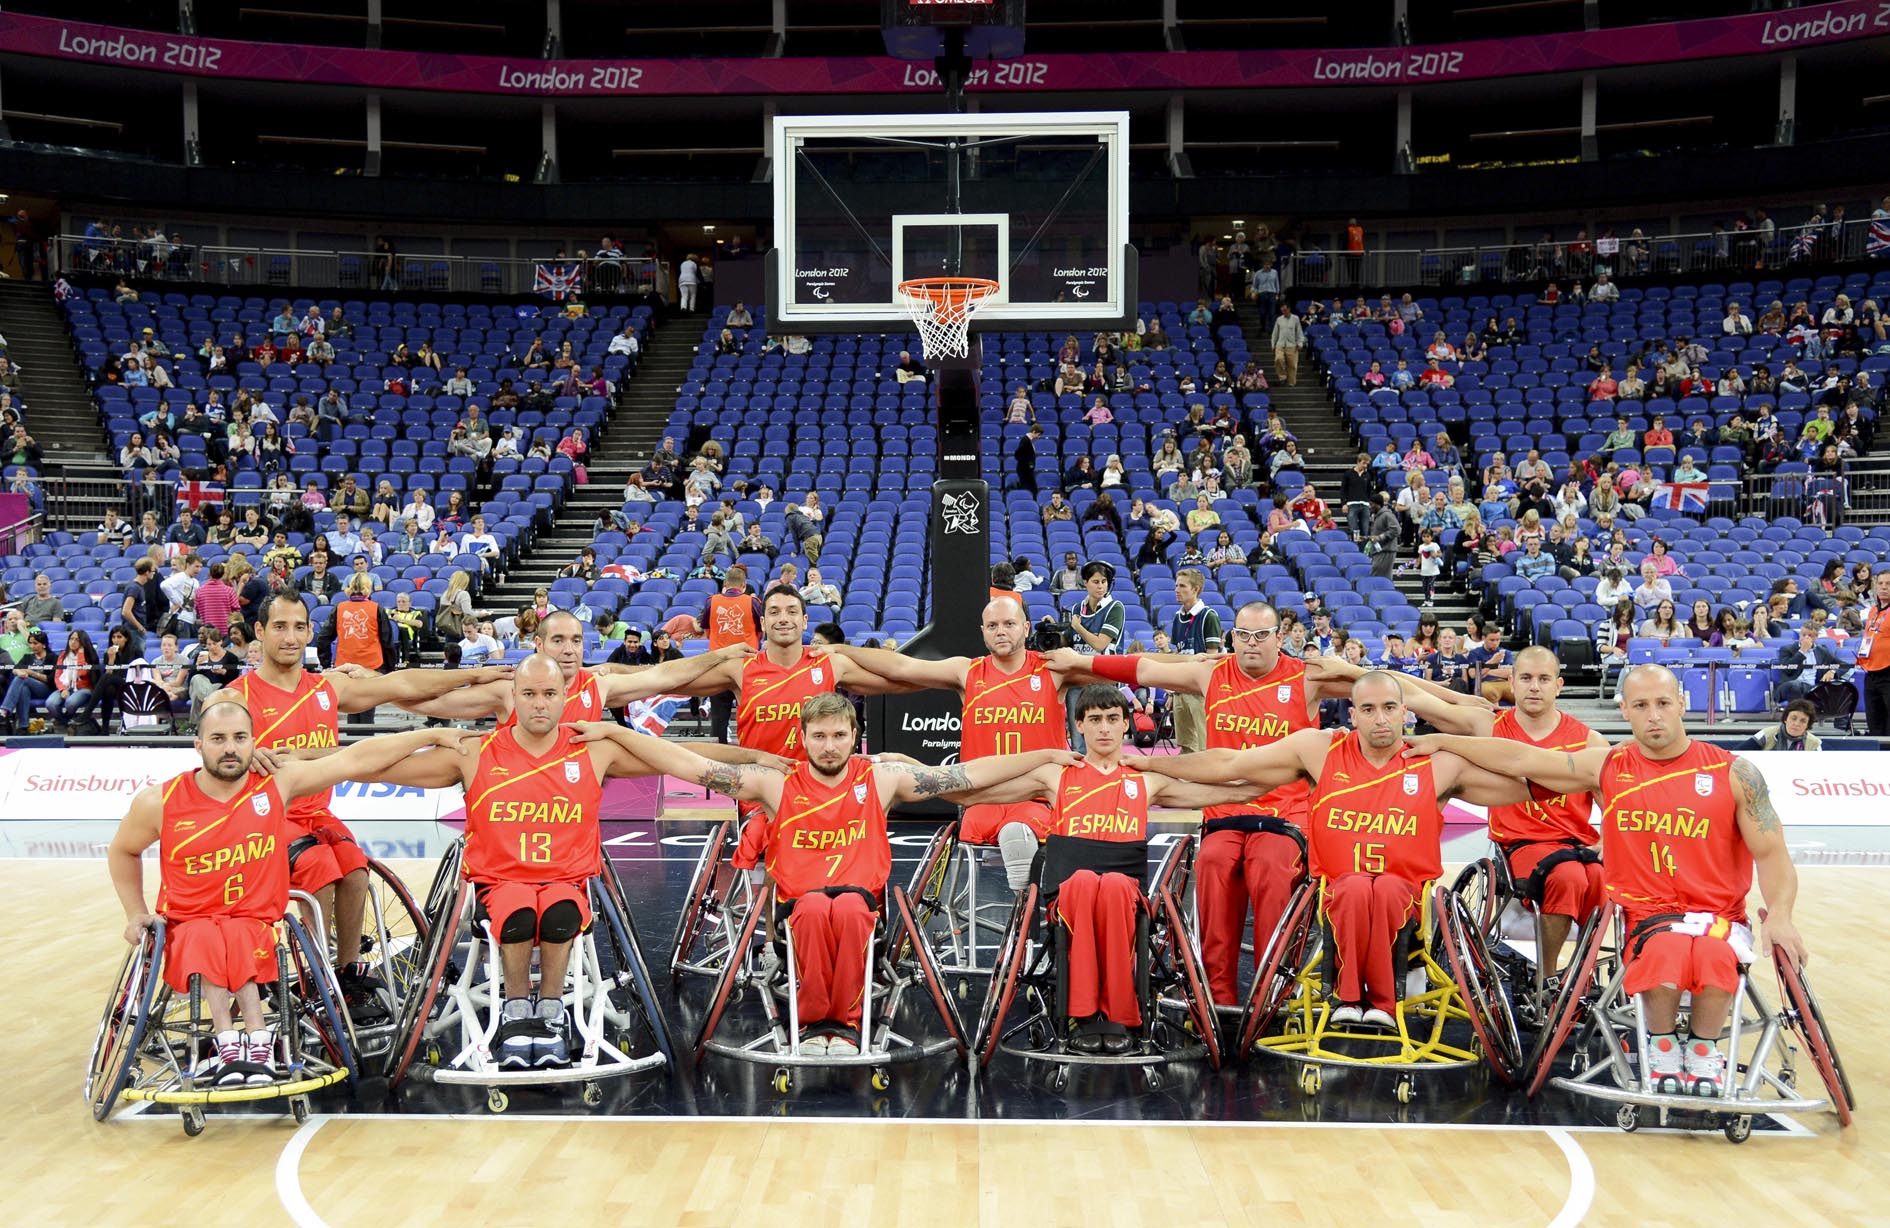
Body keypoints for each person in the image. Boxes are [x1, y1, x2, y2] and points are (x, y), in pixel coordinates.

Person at [1407, 665, 1806, 1095]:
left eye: (1663, 704)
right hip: (1649, 916)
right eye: (1641, 706)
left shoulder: (1734, 773)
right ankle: (1662, 1048)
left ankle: (1706, 1054)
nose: (1654, 716)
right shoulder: (1609, 765)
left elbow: (1772, 854)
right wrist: (1444, 740)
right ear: (1625, 711)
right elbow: (1521, 758)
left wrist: (1780, 915)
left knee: (1711, 956)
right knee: (1668, 951)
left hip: (1717, 915)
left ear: (1681, 706)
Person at [1060, 605, 1485, 1004]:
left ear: (1277, 636)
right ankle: (1218, 996)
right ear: (1233, 637)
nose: (1251, 643)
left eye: (1260, 635)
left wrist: (1456, 700)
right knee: (1210, 866)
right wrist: (1072, 663)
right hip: (1224, 810)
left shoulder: (1308, 676)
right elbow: (1145, 668)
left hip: (1283, 816)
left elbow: (1386, 682)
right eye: (1242, 635)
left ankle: (1270, 995)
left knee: (1270, 868)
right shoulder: (1213, 674)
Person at [380, 656, 765, 1066]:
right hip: (500, 884)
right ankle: (514, 1012)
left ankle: (550, 1013)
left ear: (566, 699)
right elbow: (373, 767)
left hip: (566, 881)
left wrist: (756, 761)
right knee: (520, 914)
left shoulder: (591, 750)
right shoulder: (474, 752)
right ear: (513, 697)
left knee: (562, 911)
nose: (539, 704)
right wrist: (313, 760)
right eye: (529, 694)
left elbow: (681, 758)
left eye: (549, 694)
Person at [108, 700, 478, 1086]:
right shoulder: (160, 802)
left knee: (242, 935)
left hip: (253, 921)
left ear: (255, 743)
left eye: (239, 738)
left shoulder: (276, 784)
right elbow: (122, 850)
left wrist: (432, 734)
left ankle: (255, 1041)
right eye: (218, 739)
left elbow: (356, 759)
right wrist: (135, 913)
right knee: (206, 936)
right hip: (189, 922)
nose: (230, 748)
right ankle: (230, 1039)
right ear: (198, 745)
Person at [709, 693, 1074, 1053]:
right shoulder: (777, 782)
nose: (829, 746)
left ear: (855, 737)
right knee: (815, 909)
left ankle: (846, 1026)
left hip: (861, 907)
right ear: (802, 738)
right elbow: (692, 765)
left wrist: (1043, 755)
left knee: (850, 908)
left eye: (839, 736)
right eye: (819, 736)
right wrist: (655, 743)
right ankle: (814, 1024)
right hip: (800, 911)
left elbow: (965, 775)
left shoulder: (881, 778)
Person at [1158, 673, 1529, 1026]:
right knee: (1353, 887)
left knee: (1383, 888)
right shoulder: (1322, 750)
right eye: (1368, 709)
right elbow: (1231, 763)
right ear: (1352, 715)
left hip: (1407, 904)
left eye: (1388, 707)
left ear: (1405, 712)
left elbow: (1523, 777)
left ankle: (1382, 1001)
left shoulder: (1439, 764)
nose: (1379, 718)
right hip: (1336, 899)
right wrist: (1148, 764)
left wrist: (1449, 740)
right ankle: (1348, 998)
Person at [226, 590, 516, 1017]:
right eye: (280, 627)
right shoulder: (238, 696)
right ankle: (317, 978)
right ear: (260, 631)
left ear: (310, 631)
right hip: (259, 820)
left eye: (299, 627)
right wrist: (238, 748)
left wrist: (474, 675)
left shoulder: (325, 688)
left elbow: (402, 683)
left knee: (354, 864)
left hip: (315, 815)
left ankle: (347, 973)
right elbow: (213, 724)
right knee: (320, 867)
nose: (291, 637)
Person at [946, 686, 1253, 1051]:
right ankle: (1084, 1012)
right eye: (1094, 720)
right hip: (1068, 891)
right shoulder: (1055, 776)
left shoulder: (1146, 779)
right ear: (1080, 725)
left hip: (1124, 891)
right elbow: (973, 790)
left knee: (1112, 887)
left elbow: (1230, 790)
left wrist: (1293, 773)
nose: (1104, 728)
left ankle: (1117, 1014)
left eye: (1112, 719)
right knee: (1084, 882)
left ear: (1126, 724)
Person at [1857, 568, 1890, 735]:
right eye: (1881, 583)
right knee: (1874, 721)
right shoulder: (1873, 611)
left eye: (1888, 584)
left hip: (1888, 672)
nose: (1884, 587)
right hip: (1871, 673)